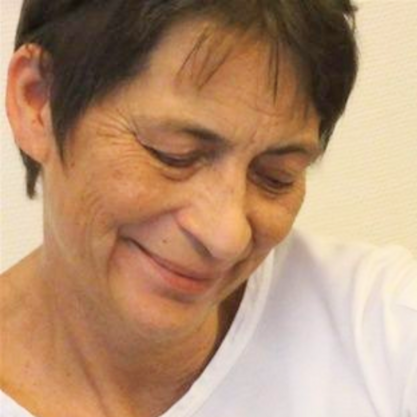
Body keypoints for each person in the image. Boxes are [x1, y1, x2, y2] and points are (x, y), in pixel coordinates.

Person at [0, 0, 416, 416]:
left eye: (276, 176)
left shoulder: (383, 329)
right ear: (37, 101)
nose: (226, 237)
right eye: (174, 154)